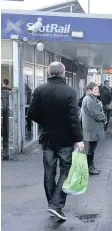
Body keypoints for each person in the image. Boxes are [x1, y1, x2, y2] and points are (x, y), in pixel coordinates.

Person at [27, 61, 84, 222]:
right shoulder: (70, 92)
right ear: (63, 73)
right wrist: (79, 139)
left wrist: (45, 122)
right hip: (65, 140)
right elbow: (74, 118)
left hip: (47, 138)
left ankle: (52, 204)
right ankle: (56, 205)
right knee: (65, 170)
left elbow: (31, 114)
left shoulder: (39, 90)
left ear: (48, 73)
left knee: (49, 172)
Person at [80, 82, 106, 175]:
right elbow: (96, 114)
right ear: (90, 90)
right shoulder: (89, 100)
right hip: (92, 127)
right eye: (95, 89)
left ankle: (90, 167)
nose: (98, 91)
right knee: (91, 149)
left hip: (91, 127)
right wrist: (104, 118)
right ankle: (90, 168)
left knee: (91, 148)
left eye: (98, 89)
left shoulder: (90, 98)